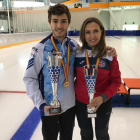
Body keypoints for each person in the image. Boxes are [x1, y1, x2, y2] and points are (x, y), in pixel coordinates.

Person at [23, 4, 117, 140]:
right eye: (55, 21)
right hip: (49, 107)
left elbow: (90, 53)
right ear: (49, 22)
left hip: (70, 107)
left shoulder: (74, 47)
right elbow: (29, 79)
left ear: (69, 23)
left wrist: (109, 51)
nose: (59, 26)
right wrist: (41, 104)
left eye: (63, 21)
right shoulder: (40, 49)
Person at [74, 17, 121, 140]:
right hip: (81, 103)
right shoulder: (77, 54)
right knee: (85, 135)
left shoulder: (109, 55)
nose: (92, 36)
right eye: (87, 32)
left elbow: (116, 81)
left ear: (102, 32)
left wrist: (103, 97)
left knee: (102, 135)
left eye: (95, 31)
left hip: (103, 103)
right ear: (83, 34)